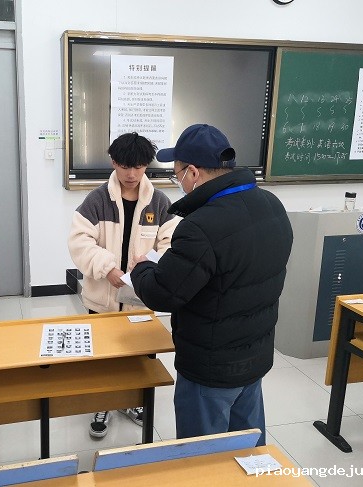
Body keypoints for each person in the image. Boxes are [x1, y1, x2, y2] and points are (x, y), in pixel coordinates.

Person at [130, 124, 293, 447]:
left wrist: (142, 267)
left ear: (193, 173)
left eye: (177, 174)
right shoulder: (272, 205)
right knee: (247, 448)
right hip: (255, 355)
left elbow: (164, 293)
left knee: (202, 456)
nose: (178, 181)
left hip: (211, 366)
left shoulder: (201, 227)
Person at [68, 132, 179, 438]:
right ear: (114, 162)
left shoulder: (160, 202)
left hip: (140, 300)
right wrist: (107, 268)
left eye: (139, 166)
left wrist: (150, 264)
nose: (132, 174)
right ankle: (103, 403)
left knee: (138, 358)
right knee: (103, 358)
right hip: (101, 299)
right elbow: (79, 242)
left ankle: (131, 401)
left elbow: (173, 244)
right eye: (125, 166)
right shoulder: (96, 200)